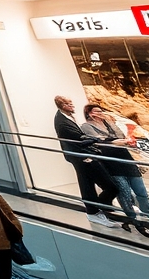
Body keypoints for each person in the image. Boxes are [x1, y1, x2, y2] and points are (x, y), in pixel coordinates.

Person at [80, 105, 149, 238]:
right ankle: (135, 220)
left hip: (125, 157)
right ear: (89, 113)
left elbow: (119, 136)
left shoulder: (109, 123)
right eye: (96, 111)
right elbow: (97, 140)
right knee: (124, 192)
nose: (100, 113)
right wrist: (113, 141)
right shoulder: (86, 126)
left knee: (140, 189)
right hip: (110, 160)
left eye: (100, 110)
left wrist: (113, 141)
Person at [53, 95, 118, 227]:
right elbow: (78, 138)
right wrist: (96, 139)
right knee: (110, 187)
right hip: (81, 156)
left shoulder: (67, 117)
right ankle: (97, 208)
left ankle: (94, 211)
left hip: (80, 155)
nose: (72, 105)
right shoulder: (62, 121)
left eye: (71, 102)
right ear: (61, 106)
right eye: (68, 103)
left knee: (86, 184)